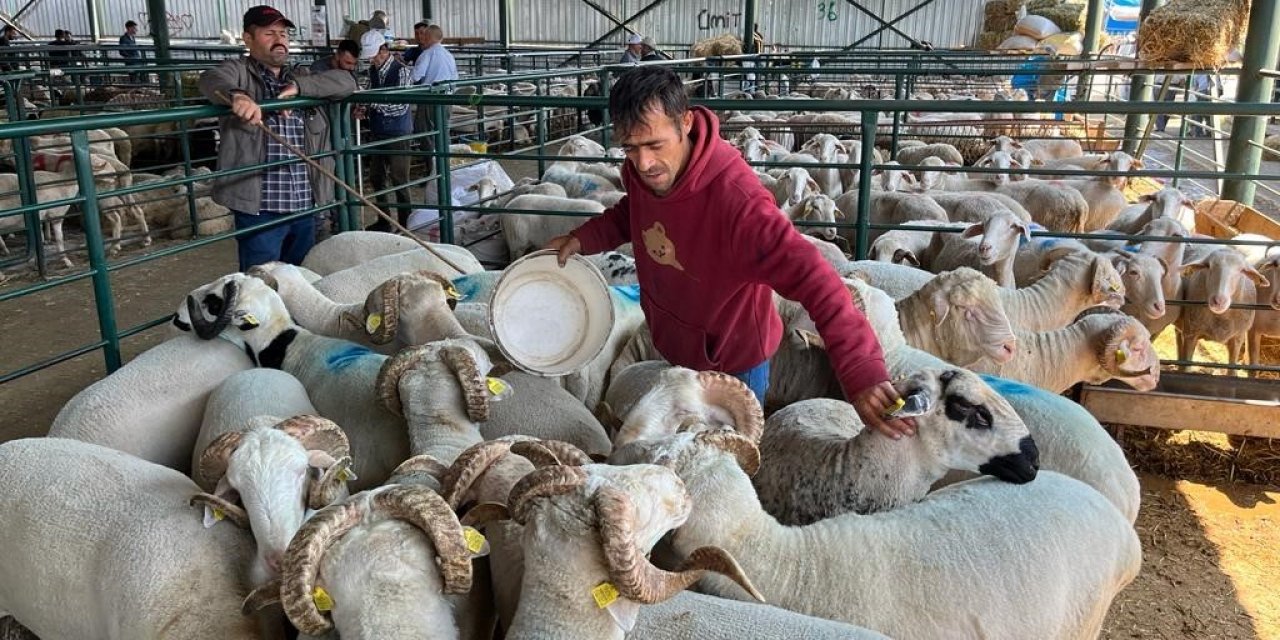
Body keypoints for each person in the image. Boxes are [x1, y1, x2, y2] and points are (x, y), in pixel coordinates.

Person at [544, 66, 914, 439]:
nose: (643, 164)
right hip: (676, 341)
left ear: (685, 122)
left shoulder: (739, 203)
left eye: (655, 145)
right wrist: (582, 238)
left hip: (733, 362)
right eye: (630, 148)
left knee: (724, 458)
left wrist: (862, 371)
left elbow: (815, 279)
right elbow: (634, 214)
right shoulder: (644, 173)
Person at [198, 5, 356, 271]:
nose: (279, 40)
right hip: (261, 207)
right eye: (269, 33)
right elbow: (210, 79)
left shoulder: (301, 75)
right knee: (262, 283)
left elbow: (346, 82)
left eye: (283, 33)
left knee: (302, 280)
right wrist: (237, 96)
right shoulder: (238, 72)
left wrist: (300, 89)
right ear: (248, 39)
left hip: (305, 201)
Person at [359, 34, 415, 231]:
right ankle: (384, 219)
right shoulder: (372, 71)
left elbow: (400, 105)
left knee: (399, 178)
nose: (372, 59)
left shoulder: (402, 72)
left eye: (374, 55)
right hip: (379, 129)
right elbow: (367, 93)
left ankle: (405, 222)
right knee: (376, 176)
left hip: (398, 131)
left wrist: (370, 103)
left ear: (384, 50)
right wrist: (363, 108)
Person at [410, 23, 458, 175]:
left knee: (426, 133)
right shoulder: (449, 55)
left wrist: (406, 72)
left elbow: (416, 76)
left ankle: (432, 170)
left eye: (424, 35)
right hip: (447, 99)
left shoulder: (427, 54)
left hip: (430, 99)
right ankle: (446, 168)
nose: (421, 37)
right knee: (443, 132)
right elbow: (455, 79)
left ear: (429, 37)